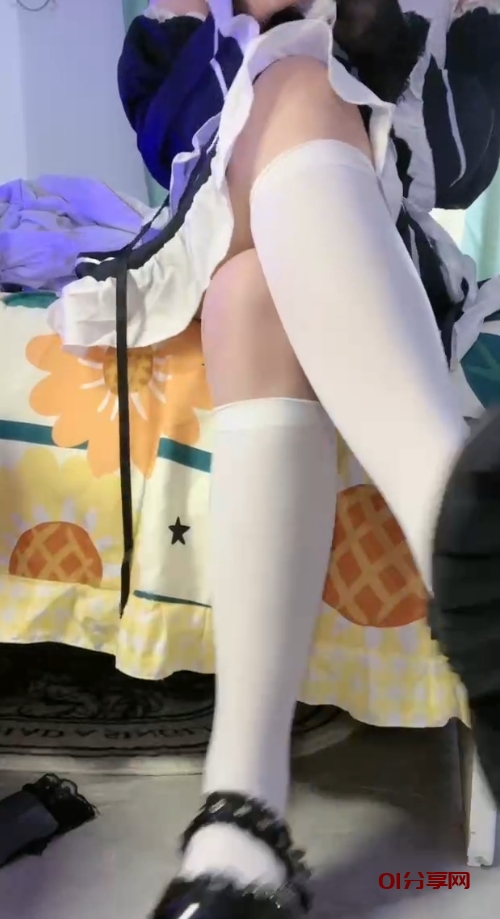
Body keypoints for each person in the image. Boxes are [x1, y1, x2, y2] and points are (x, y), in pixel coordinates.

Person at [53, 0, 500, 916]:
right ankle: (462, 538)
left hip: (375, 238)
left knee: (251, 291)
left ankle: (242, 821)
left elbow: (462, 167)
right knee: (280, 109)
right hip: (224, 217)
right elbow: (170, 139)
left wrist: (371, 32)